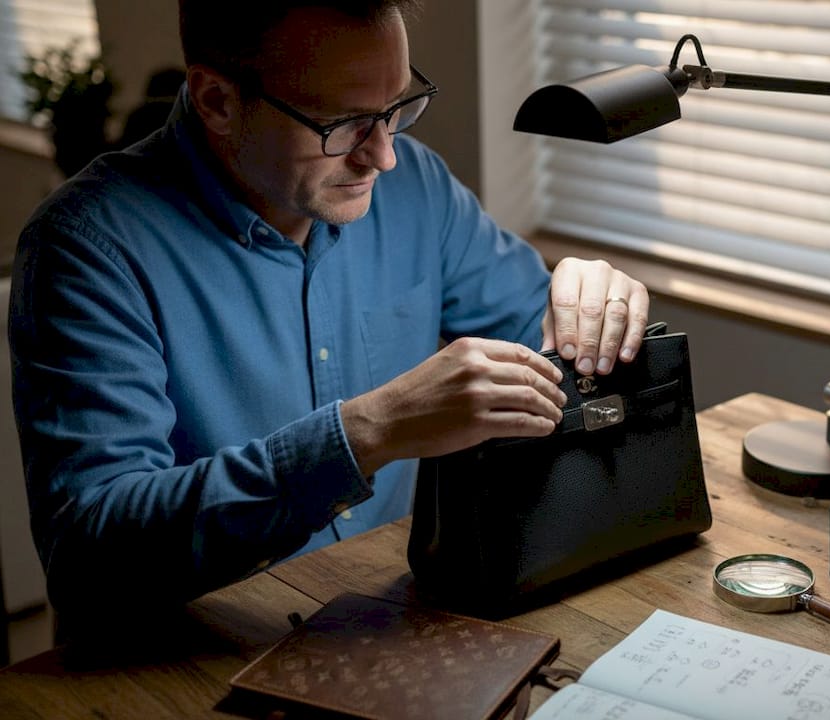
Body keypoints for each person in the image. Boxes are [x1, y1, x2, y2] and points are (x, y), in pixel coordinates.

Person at [6, 0, 649, 623]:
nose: (383, 155)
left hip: (386, 614)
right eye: (340, 124)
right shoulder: (87, 248)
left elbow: (535, 333)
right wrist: (368, 432)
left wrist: (587, 310)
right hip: (179, 658)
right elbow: (88, 553)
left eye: (397, 108)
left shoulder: (414, 185)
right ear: (216, 102)